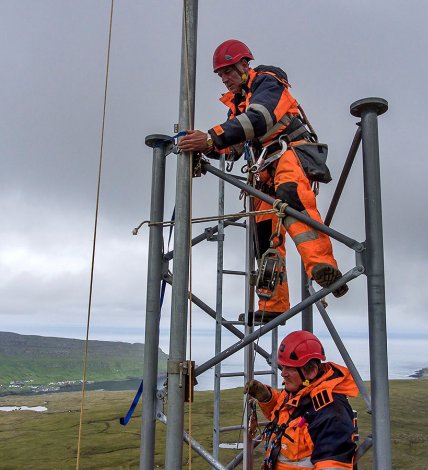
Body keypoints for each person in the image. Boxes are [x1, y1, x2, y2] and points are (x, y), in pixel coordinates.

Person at [178, 39, 348, 324]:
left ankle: (323, 267)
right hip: (264, 167)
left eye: (228, 71)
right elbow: (235, 145)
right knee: (264, 234)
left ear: (245, 65)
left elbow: (259, 119)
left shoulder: (267, 83)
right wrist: (208, 147)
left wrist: (211, 137)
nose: (225, 78)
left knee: (293, 198)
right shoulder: (236, 106)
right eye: (220, 74)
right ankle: (273, 302)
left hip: (289, 152)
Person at [245, 330, 358, 469]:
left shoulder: (331, 413)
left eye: (289, 368)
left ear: (311, 371)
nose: (283, 373)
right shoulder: (301, 392)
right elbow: (284, 415)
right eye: (283, 366)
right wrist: (267, 398)